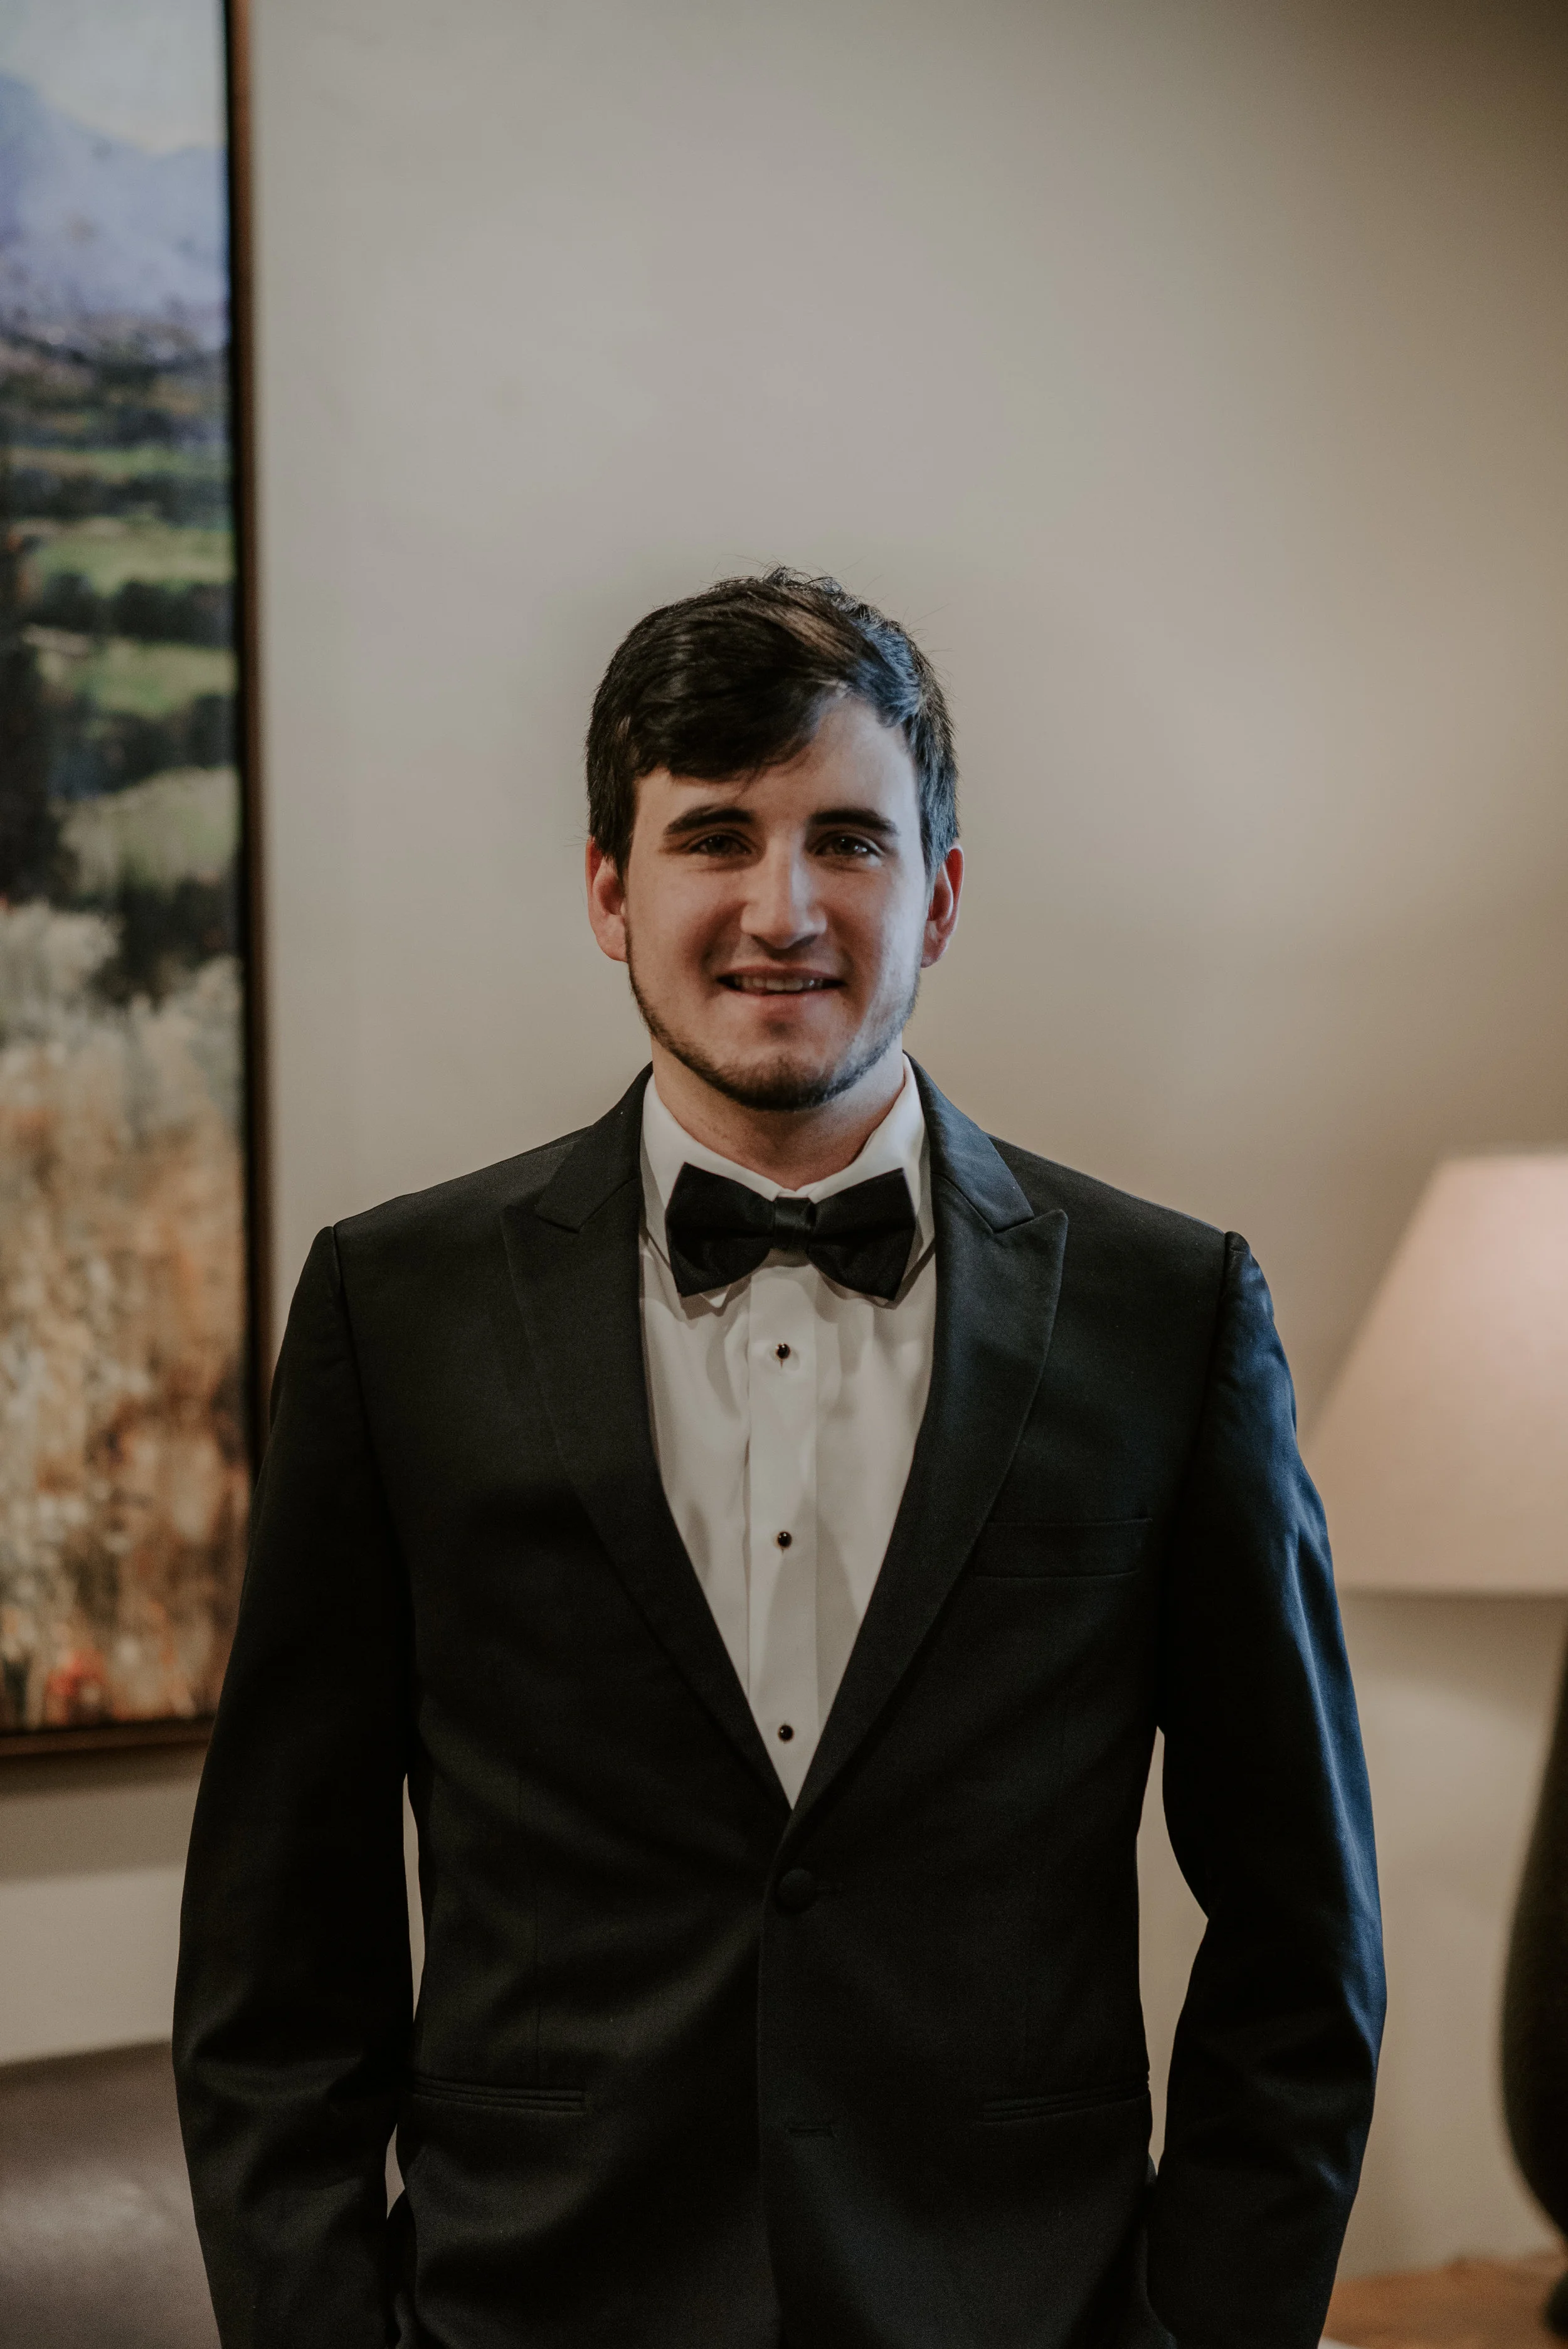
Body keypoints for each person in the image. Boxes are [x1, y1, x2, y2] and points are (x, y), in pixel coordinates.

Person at [174, 569, 1384, 2349]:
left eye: (849, 841)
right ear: (608, 888)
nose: (782, 908)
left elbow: (1301, 1946)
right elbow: (278, 1959)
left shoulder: (1168, 1313)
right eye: (715, 837)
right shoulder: (393, 1309)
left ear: (942, 893)